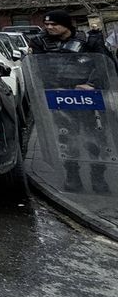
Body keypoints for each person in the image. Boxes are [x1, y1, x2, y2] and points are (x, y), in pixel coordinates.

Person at [29, 10, 113, 191]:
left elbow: (106, 64)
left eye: (54, 24)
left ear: (67, 25)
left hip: (90, 100)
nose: (49, 27)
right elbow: (37, 68)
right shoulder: (40, 42)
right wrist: (50, 87)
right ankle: (72, 177)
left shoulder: (89, 41)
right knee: (66, 139)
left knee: (96, 141)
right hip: (59, 98)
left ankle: (98, 178)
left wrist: (92, 84)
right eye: (47, 24)